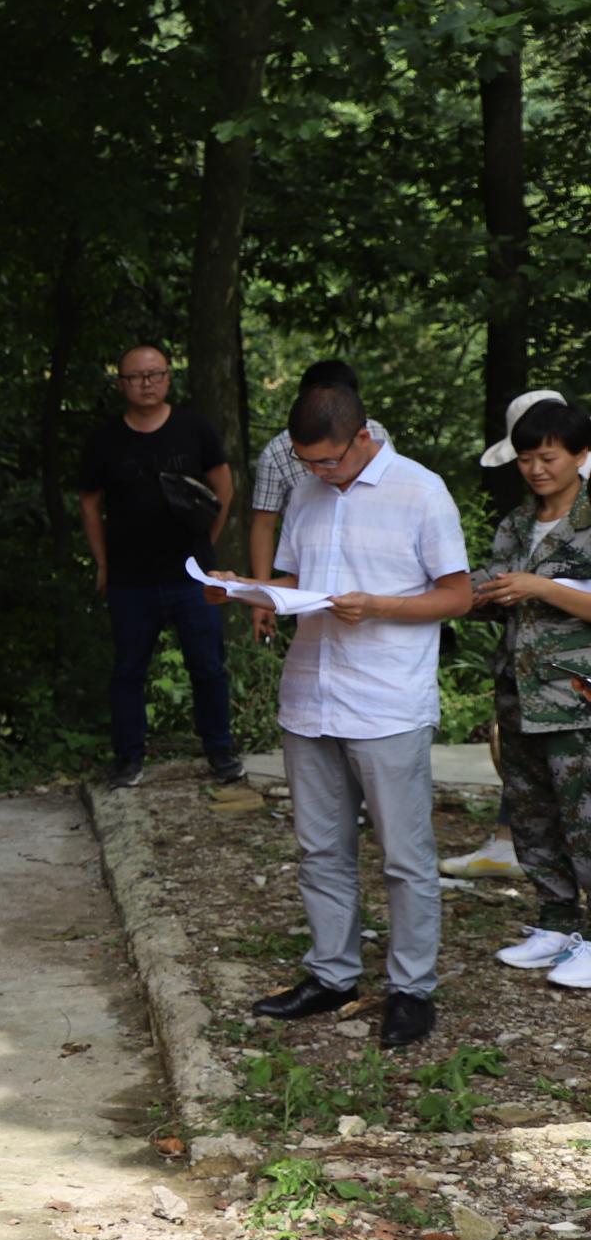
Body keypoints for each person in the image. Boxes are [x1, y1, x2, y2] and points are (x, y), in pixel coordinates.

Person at [244, 384, 470, 1050]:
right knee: (320, 849)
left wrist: (376, 606)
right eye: (307, 464)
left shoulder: (421, 492)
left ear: (362, 436)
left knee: (405, 857)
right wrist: (248, 590)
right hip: (310, 697)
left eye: (329, 462)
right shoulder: (307, 495)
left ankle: (410, 989)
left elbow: (457, 596)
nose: (318, 474)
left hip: (386, 702)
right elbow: (296, 581)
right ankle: (333, 974)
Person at [77, 344, 241, 789]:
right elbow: (90, 503)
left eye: (155, 374)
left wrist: (206, 541)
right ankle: (128, 758)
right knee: (129, 670)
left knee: (208, 666)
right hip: (131, 577)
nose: (146, 383)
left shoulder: (194, 428)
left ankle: (221, 751)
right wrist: (103, 562)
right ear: (121, 384)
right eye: (136, 376)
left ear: (168, 377)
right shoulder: (105, 440)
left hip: (193, 574)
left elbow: (223, 485)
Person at [474, 398, 591, 990]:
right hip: (520, 693)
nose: (537, 470)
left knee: (586, 818)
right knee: (533, 812)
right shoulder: (517, 525)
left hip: (578, 697)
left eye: (548, 457)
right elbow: (494, 586)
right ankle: (556, 922)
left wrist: (541, 586)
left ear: (580, 454)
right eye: (525, 460)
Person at [244, 360, 392, 644]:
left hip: (372, 569)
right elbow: (264, 524)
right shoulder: (277, 453)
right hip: (310, 572)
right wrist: (261, 598)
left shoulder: (375, 436)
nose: (319, 471)